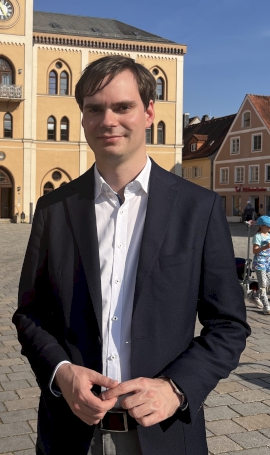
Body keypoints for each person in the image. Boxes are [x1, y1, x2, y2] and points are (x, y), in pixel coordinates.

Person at [13, 55, 249, 455]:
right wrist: (61, 372)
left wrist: (176, 388)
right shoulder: (54, 209)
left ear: (149, 112)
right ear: (83, 118)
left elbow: (228, 325)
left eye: (122, 107)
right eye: (95, 109)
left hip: (164, 434)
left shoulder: (198, 208)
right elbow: (31, 314)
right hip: (72, 434)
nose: (109, 120)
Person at [249, 215, 270, 313]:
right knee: (263, 285)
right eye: (267, 226)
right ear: (261, 226)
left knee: (267, 283)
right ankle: (267, 307)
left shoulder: (269, 235)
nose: (269, 228)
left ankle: (254, 295)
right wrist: (265, 247)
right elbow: (255, 251)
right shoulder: (257, 236)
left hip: (268, 262)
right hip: (260, 262)